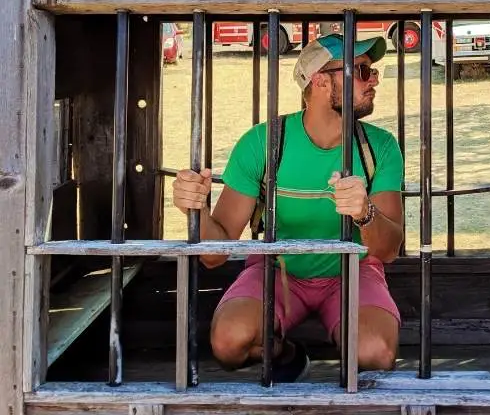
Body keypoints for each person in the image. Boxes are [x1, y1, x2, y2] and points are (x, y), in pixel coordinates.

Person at [172, 34, 403, 380]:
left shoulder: (379, 147)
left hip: (352, 273)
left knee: (375, 353)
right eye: (362, 70)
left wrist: (364, 212)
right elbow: (214, 253)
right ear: (321, 82)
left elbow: (387, 251)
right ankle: (287, 356)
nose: (374, 79)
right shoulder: (263, 143)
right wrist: (196, 210)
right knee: (228, 343)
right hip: (276, 270)